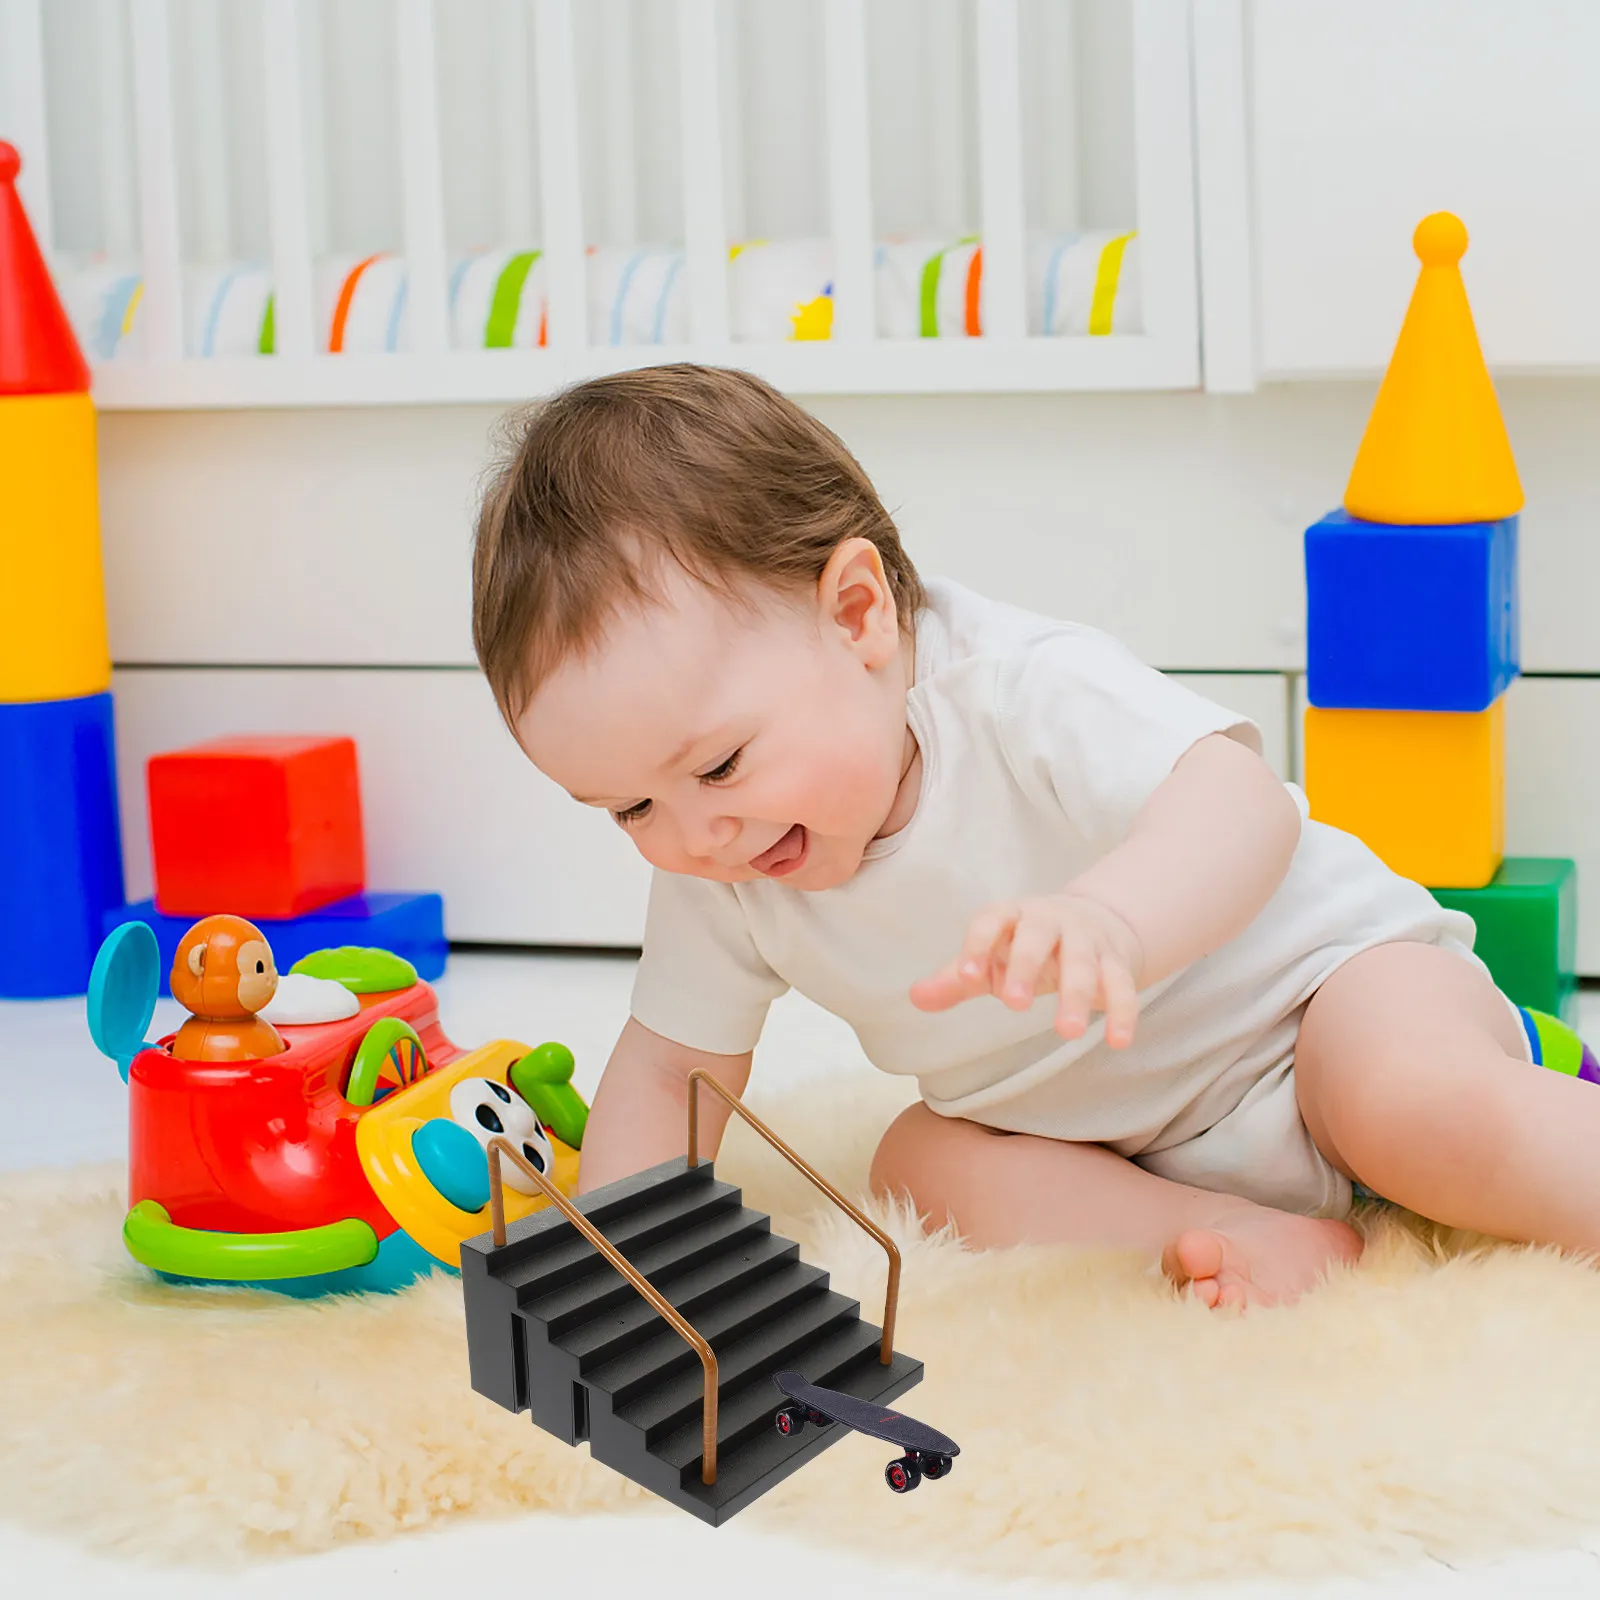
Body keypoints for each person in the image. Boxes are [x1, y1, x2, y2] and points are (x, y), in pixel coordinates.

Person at [471, 363, 1596, 1310]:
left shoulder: (1017, 694)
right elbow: (672, 1065)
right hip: (1112, 1132)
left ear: (857, 615)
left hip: (1315, 1005)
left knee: (1409, 1106)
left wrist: (1115, 918)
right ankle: (1227, 1226)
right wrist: (625, 1258)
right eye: (629, 809)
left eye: (718, 765)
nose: (693, 835)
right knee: (919, 1165)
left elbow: (1239, 800)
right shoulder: (722, 858)